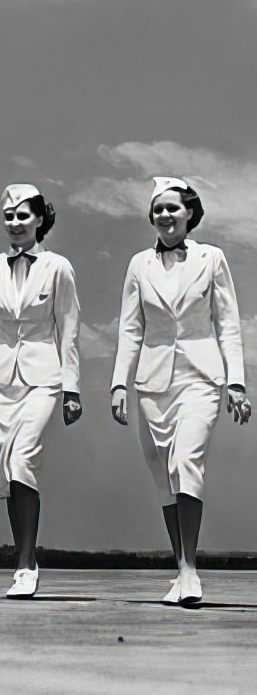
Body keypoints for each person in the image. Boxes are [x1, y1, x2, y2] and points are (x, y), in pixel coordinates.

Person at [110, 177, 249, 607]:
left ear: (190, 212)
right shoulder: (139, 264)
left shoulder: (212, 258)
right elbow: (131, 328)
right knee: (165, 477)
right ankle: (183, 569)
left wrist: (237, 382)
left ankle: (190, 571)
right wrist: (118, 383)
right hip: (152, 382)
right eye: (158, 209)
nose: (165, 216)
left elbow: (227, 323)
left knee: (187, 460)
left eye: (173, 208)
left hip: (201, 377)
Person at [0, 184, 81, 599]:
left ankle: (27, 564)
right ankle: (21, 559)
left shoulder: (58, 267)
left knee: (24, 456)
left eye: (23, 216)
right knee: (8, 471)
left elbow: (69, 329)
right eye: (8, 217)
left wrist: (72, 388)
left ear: (40, 220)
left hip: (44, 377)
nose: (14, 224)